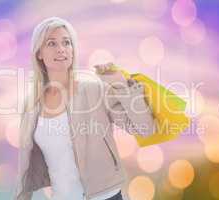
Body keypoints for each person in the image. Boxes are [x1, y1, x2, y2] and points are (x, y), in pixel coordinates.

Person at [13, 17, 156, 200]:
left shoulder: (94, 89)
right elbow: (25, 164)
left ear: (73, 50)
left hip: (106, 196)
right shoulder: (31, 105)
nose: (61, 49)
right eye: (51, 43)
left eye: (67, 42)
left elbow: (145, 129)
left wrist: (121, 85)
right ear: (39, 53)